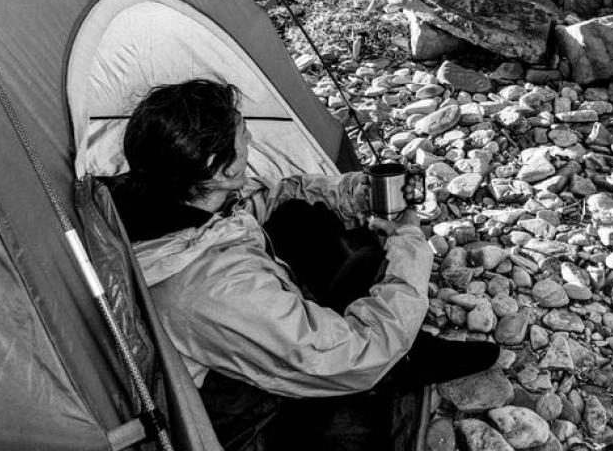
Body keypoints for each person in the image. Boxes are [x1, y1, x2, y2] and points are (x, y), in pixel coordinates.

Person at [108, 79, 497, 450]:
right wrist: (409, 241)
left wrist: (349, 195)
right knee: (366, 384)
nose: (251, 141)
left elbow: (257, 205)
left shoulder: (159, 198)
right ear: (218, 167)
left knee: (303, 218)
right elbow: (352, 356)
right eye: (243, 136)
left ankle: (402, 347)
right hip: (243, 415)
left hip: (242, 337)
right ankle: (404, 360)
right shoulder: (212, 290)